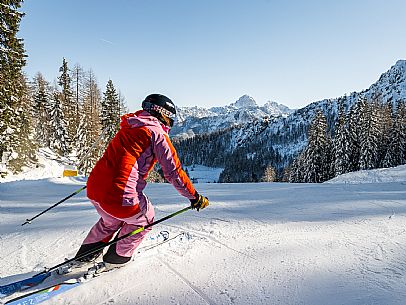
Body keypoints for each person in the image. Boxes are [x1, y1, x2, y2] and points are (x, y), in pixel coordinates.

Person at [74, 94, 209, 270]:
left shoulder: (130, 125)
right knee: (145, 218)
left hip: (95, 188)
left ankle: (83, 257)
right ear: (162, 113)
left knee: (111, 221)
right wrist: (194, 197)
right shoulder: (156, 133)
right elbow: (173, 173)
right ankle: (115, 260)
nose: (171, 123)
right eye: (170, 118)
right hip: (120, 194)